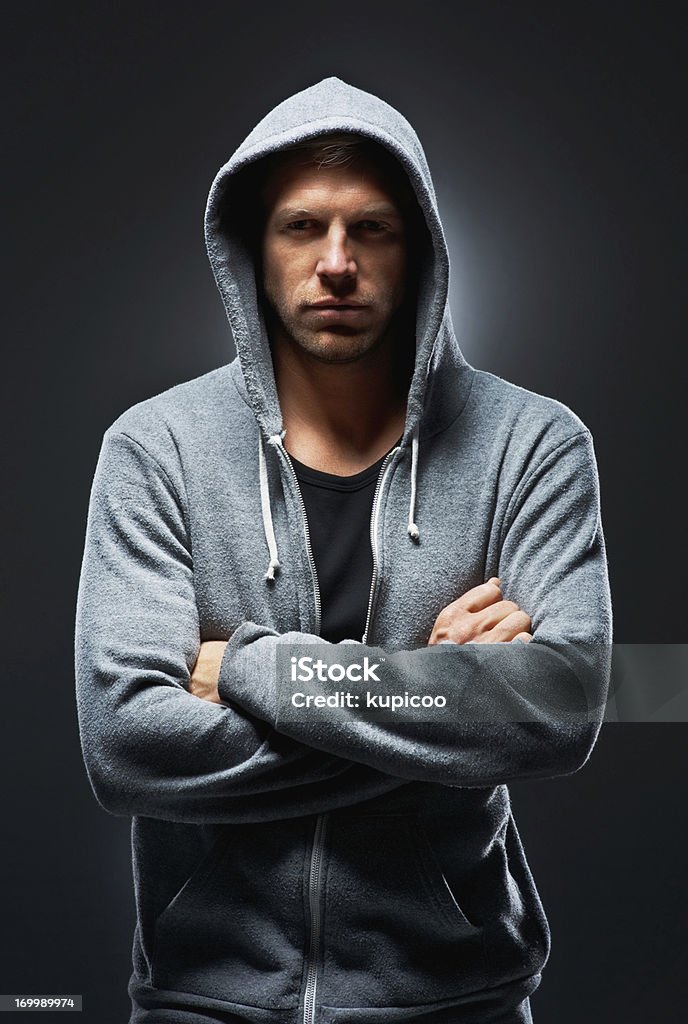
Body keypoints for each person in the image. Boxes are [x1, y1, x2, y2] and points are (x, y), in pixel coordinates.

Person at [75, 77, 612, 1024]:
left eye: (372, 230)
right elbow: (124, 743)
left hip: (460, 1001)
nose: (336, 264)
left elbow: (568, 706)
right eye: (302, 228)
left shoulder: (533, 444)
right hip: (205, 1000)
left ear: (422, 251)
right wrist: (443, 699)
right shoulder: (155, 450)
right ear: (251, 244)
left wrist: (255, 672)